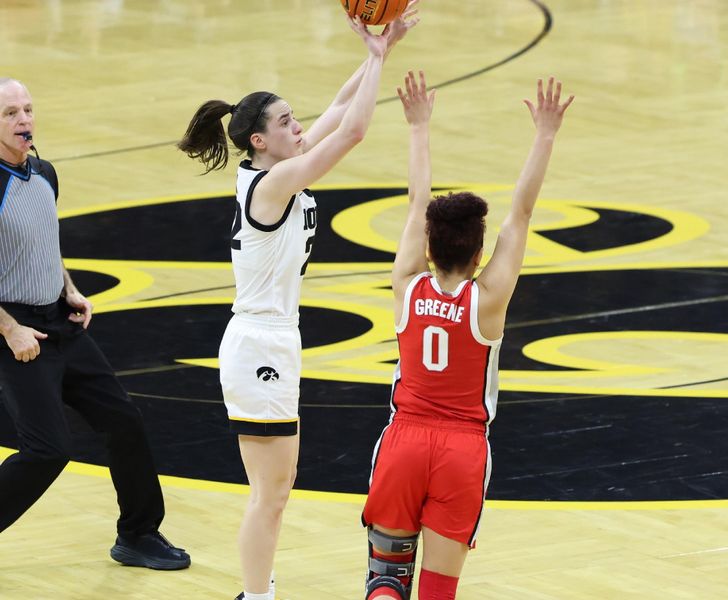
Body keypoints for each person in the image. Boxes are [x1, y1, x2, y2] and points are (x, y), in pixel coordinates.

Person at [177, 6, 419, 600]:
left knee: (276, 490)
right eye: (287, 123)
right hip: (260, 341)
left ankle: (257, 589)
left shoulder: (274, 169)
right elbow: (354, 131)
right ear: (261, 141)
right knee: (272, 493)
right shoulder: (273, 184)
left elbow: (339, 109)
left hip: (274, 340)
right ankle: (256, 595)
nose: (299, 127)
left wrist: (375, 52)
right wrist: (379, 58)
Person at [360, 72, 574, 600]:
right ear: (480, 255)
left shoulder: (406, 287)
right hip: (461, 449)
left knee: (386, 583)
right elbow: (519, 215)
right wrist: (545, 134)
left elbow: (417, 203)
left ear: (428, 249)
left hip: (403, 440)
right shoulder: (487, 300)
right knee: (438, 591)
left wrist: (418, 126)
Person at [0, 78, 190, 570]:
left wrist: (68, 287)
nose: (24, 120)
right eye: (10, 114)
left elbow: (44, 243)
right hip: (14, 330)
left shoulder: (43, 173)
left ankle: (138, 534)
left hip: (58, 320)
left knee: (123, 420)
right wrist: (9, 329)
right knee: (47, 449)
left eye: (28, 109)